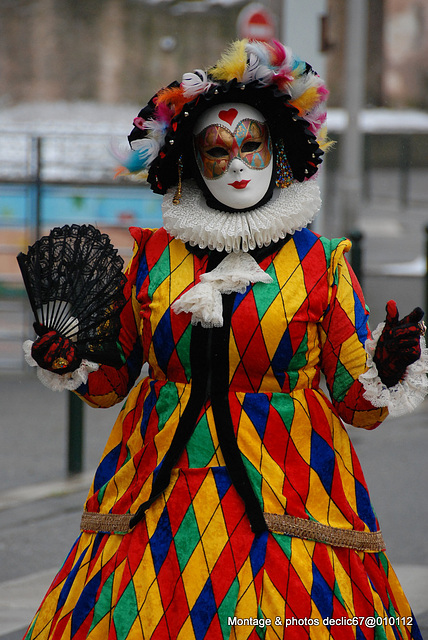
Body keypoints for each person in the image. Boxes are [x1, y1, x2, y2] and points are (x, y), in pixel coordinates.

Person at [22, 39, 428, 640]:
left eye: (250, 145)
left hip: (292, 489)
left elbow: (355, 403)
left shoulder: (320, 262)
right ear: (190, 162)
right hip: (159, 489)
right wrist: (71, 359)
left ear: (278, 151)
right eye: (216, 152)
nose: (237, 164)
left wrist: (389, 366)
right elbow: (112, 383)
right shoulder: (154, 258)